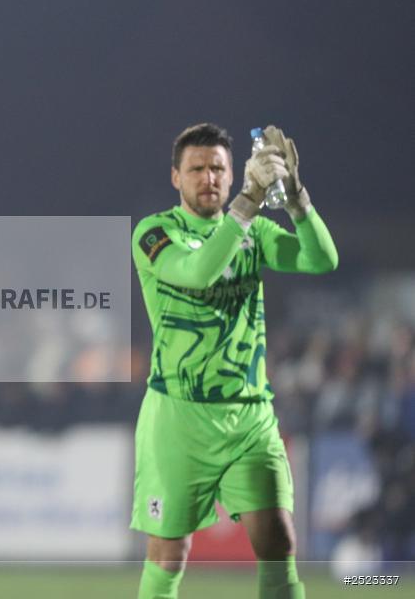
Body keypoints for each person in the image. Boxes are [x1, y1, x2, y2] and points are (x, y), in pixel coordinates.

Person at [130, 123, 338, 599]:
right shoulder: (154, 232)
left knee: (279, 541)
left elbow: (322, 259)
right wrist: (247, 200)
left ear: (229, 173)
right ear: (175, 178)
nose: (209, 178)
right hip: (178, 416)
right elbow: (199, 273)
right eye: (197, 168)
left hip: (249, 417)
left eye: (218, 168)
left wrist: (296, 198)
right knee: (168, 554)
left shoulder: (255, 232)